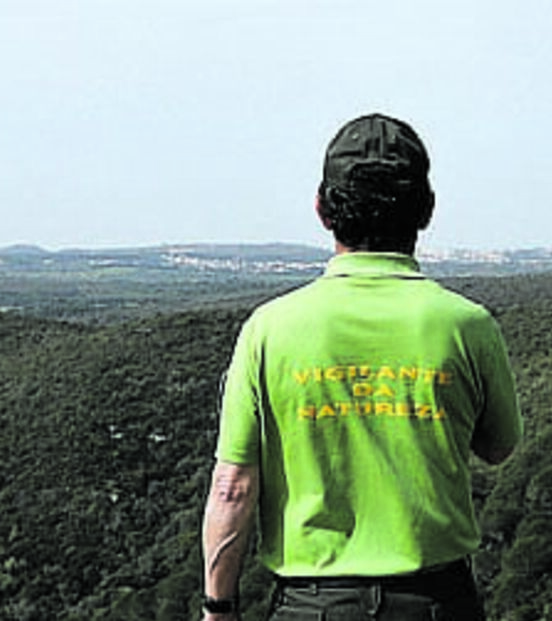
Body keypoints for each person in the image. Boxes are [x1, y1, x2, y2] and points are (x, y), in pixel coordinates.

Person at [201, 113, 523, 621]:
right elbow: (498, 446)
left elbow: (232, 486)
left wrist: (218, 607)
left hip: (311, 604)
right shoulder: (468, 325)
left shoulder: (268, 329)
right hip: (437, 600)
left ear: (322, 209)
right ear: (427, 209)